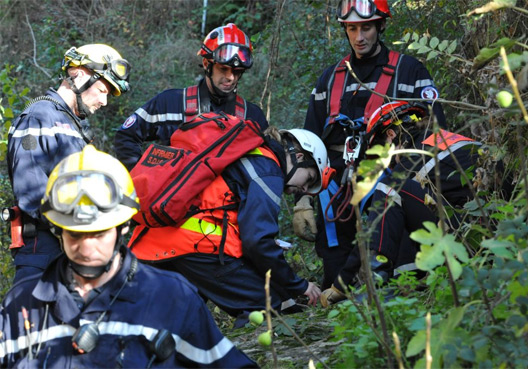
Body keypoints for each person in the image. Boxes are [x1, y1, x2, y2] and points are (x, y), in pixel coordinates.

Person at [0, 145, 258, 368]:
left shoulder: (171, 298)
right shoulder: (22, 305)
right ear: (57, 230)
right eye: (75, 234)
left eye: (99, 233)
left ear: (123, 226)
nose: (87, 247)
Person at [294, 0, 447, 290]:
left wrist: (420, 181)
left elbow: (436, 133)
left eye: (366, 27)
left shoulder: (410, 72)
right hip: (336, 183)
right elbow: (308, 142)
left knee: (399, 272)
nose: (359, 37)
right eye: (352, 29)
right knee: (336, 279)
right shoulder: (329, 80)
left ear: (380, 26)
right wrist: (302, 200)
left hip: (389, 174)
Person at [128, 128, 333, 326]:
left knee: (172, 316)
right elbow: (257, 242)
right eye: (309, 178)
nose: (304, 189)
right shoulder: (268, 170)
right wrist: (299, 285)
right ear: (298, 157)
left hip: (153, 240)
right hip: (195, 244)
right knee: (264, 308)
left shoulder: (249, 152)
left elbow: (229, 215)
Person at [320, 101, 482, 306]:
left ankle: (377, 285)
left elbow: (373, 225)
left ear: (390, 135)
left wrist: (340, 285)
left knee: (389, 188)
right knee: (400, 203)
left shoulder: (414, 155)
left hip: (470, 242)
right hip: (488, 236)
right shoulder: (439, 143)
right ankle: (406, 280)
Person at [7, 44, 131, 283]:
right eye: (103, 90)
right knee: (30, 318)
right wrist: (77, 226)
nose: (104, 102)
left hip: (73, 247)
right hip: (42, 251)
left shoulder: (72, 125)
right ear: (80, 74)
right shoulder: (38, 116)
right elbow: (31, 191)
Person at [114, 23, 268, 171]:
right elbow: (126, 136)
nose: (230, 77)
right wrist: (143, 179)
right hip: (173, 196)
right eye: (224, 69)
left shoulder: (252, 117)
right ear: (207, 64)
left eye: (237, 71)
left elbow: (268, 164)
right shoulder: (170, 103)